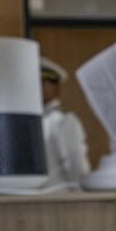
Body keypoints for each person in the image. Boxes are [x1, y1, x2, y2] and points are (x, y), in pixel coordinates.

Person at [38, 57, 89, 189]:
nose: (35, 88)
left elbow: (76, 164)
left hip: (59, 198)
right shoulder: (27, 120)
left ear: (55, 88)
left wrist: (83, 194)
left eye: (41, 83)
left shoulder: (63, 120)